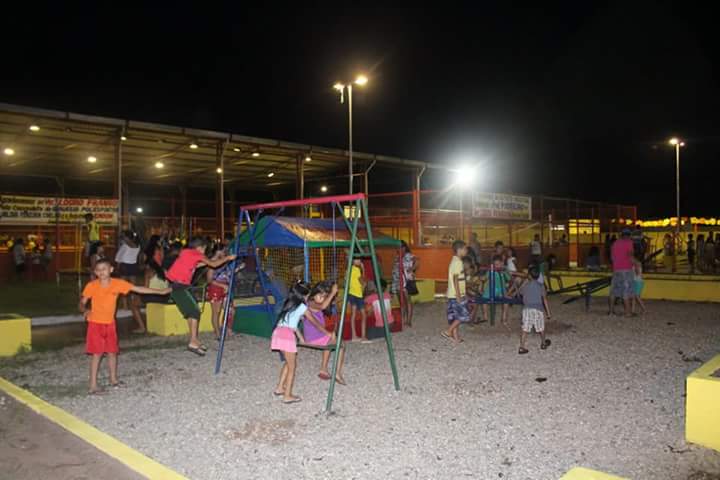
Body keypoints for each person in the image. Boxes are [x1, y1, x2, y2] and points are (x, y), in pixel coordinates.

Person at [79, 259, 170, 394]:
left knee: (112, 352)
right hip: (95, 324)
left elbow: (138, 288)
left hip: (110, 324)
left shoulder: (118, 284)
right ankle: (93, 386)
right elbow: (82, 303)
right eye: (98, 270)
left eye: (104, 268)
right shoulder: (91, 286)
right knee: (97, 354)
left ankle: (114, 380)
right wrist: (85, 310)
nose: (101, 272)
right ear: (95, 272)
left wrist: (160, 292)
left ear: (111, 270)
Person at [165, 236, 236, 356]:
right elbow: (213, 264)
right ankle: (193, 341)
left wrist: (211, 260)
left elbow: (196, 265)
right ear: (199, 247)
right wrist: (228, 258)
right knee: (195, 311)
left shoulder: (187, 253)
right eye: (204, 249)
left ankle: (195, 340)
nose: (204, 252)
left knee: (190, 313)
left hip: (177, 285)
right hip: (180, 286)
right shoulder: (196, 253)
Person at [271, 282, 312, 404]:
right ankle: (287, 395)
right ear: (304, 295)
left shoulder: (289, 303)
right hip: (287, 336)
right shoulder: (303, 307)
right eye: (308, 295)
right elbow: (312, 320)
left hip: (278, 333)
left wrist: (302, 339)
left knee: (288, 363)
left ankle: (280, 388)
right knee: (292, 367)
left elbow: (292, 325)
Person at [304, 281, 346, 385]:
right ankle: (337, 373)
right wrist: (332, 293)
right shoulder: (310, 302)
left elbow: (325, 305)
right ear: (314, 293)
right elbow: (323, 306)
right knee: (340, 345)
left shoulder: (314, 302)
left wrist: (333, 298)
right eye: (320, 296)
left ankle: (323, 369)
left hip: (317, 335)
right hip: (314, 336)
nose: (322, 299)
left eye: (324, 297)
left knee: (331, 341)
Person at [510, 266, 551, 354]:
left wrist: (521, 285)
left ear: (529, 275)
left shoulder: (526, 286)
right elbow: (544, 299)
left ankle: (522, 347)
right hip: (538, 310)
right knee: (541, 327)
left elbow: (520, 293)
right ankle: (543, 343)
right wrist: (548, 312)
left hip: (527, 309)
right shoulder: (541, 286)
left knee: (525, 328)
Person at [206, 245, 243, 340]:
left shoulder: (224, 262)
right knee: (216, 312)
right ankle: (218, 334)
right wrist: (223, 285)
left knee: (231, 310)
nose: (226, 253)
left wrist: (237, 269)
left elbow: (227, 275)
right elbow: (209, 280)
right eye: (224, 251)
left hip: (225, 289)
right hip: (215, 289)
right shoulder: (212, 263)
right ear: (218, 252)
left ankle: (227, 330)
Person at [115, 231, 144, 333]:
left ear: (127, 237)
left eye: (124, 237)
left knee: (121, 287)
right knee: (133, 287)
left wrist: (117, 267)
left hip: (125, 266)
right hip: (133, 266)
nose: (123, 238)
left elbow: (118, 258)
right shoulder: (137, 245)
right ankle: (135, 302)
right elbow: (139, 257)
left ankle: (125, 305)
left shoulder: (124, 246)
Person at [442, 240, 468, 343]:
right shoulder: (458, 262)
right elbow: (455, 279)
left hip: (452, 294)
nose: (466, 251)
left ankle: (456, 338)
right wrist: (458, 295)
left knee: (455, 316)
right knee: (463, 315)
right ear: (459, 249)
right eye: (465, 249)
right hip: (456, 294)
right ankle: (448, 331)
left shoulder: (454, 260)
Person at [609, 229, 635, 317]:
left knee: (613, 291)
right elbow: (631, 256)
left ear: (621, 235)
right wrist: (637, 263)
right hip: (626, 269)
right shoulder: (629, 242)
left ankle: (611, 312)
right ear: (629, 235)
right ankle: (628, 313)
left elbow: (612, 258)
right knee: (626, 290)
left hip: (616, 269)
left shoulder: (615, 243)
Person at [481, 255, 511, 327]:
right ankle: (485, 316)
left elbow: (509, 278)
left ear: (502, 263)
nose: (496, 266)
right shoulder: (490, 271)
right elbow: (485, 278)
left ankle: (504, 319)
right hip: (491, 290)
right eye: (495, 265)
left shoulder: (504, 271)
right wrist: (482, 278)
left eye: (498, 264)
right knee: (484, 300)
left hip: (501, 290)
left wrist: (505, 272)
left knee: (506, 302)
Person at [347, 258, 367, 341]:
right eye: (357, 260)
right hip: (358, 294)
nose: (359, 261)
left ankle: (354, 336)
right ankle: (363, 336)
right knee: (364, 315)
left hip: (351, 293)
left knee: (353, 314)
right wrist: (363, 269)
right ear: (353, 261)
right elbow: (362, 281)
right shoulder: (357, 270)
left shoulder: (349, 269)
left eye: (360, 260)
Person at [399, 241, 419, 327]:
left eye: (400, 247)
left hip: (407, 281)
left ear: (404, 247)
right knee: (403, 301)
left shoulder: (408, 255)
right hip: (401, 281)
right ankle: (404, 320)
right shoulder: (399, 256)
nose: (398, 249)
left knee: (407, 300)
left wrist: (411, 269)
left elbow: (417, 260)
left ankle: (408, 320)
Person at [462, 256, 482, 324]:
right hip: (467, 294)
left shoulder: (475, 277)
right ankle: (470, 319)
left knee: (474, 307)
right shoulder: (463, 275)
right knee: (470, 307)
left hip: (473, 294)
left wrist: (479, 289)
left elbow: (478, 285)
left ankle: (471, 320)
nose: (470, 271)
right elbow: (465, 286)